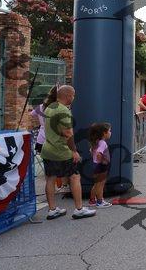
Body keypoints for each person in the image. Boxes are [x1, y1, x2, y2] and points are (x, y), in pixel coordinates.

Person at [41, 85, 96, 220]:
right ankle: (79, 209)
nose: (74, 98)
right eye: (73, 95)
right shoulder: (63, 111)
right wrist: (74, 151)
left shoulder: (49, 107)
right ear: (68, 96)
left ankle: (52, 210)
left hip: (48, 150)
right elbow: (67, 134)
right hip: (62, 151)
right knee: (75, 177)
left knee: (50, 179)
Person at [31, 86, 70, 193]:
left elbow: (32, 114)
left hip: (41, 139)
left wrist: (40, 123)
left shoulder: (41, 106)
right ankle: (63, 185)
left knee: (49, 167)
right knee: (62, 163)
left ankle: (52, 187)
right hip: (54, 139)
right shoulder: (59, 108)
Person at [88, 122, 112, 208]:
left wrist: (96, 160)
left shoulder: (96, 142)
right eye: (109, 131)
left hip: (96, 165)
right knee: (101, 184)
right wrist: (101, 160)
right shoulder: (102, 143)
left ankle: (92, 200)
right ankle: (100, 201)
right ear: (104, 133)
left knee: (97, 184)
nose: (110, 133)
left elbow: (91, 151)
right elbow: (99, 152)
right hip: (101, 166)